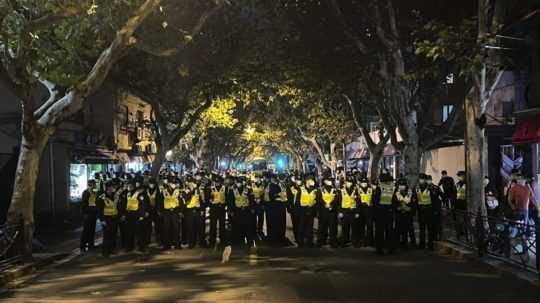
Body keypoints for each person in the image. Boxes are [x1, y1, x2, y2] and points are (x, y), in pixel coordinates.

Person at [119, 181, 148, 253]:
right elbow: (123, 204)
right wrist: (123, 214)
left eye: (130, 186)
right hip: (128, 215)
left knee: (139, 232)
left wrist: (142, 215)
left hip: (136, 215)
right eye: (128, 186)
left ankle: (141, 247)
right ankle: (129, 247)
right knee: (129, 232)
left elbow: (142, 205)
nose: (129, 187)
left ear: (133, 186)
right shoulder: (126, 193)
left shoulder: (139, 194)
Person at [228, 177, 255, 247]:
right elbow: (230, 201)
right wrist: (231, 211)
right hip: (237, 211)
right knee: (237, 226)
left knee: (248, 226)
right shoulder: (232, 190)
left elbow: (251, 199)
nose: (239, 183)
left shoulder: (248, 189)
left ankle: (249, 240)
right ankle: (239, 240)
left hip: (246, 210)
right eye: (238, 182)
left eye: (240, 182)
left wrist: (252, 208)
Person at [97, 181, 121, 257]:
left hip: (114, 218)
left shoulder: (115, 196)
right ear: (108, 187)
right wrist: (102, 220)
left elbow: (118, 206)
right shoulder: (102, 197)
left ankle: (112, 250)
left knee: (113, 235)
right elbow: (99, 209)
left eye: (114, 186)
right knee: (107, 236)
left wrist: (119, 216)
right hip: (106, 219)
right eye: (112, 186)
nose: (114, 188)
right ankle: (105, 252)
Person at [159, 178, 182, 250]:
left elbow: (181, 202)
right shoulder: (164, 191)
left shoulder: (178, 191)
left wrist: (180, 211)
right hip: (166, 212)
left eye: (174, 183)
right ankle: (166, 245)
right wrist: (161, 211)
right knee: (166, 229)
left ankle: (177, 244)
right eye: (172, 183)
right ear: (168, 184)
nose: (173, 185)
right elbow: (160, 201)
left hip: (175, 212)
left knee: (176, 229)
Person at [394, 178, 417, 250]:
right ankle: (396, 244)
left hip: (408, 214)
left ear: (406, 185)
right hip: (399, 214)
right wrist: (398, 208)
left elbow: (414, 203)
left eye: (403, 185)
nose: (401, 186)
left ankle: (407, 244)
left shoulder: (410, 192)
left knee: (408, 230)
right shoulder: (396, 192)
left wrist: (411, 210)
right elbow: (393, 202)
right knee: (398, 230)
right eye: (400, 185)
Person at [374, 177, 395, 254]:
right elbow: (394, 200)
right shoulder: (391, 188)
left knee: (380, 232)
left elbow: (375, 201)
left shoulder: (379, 188)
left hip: (380, 213)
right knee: (389, 231)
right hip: (389, 212)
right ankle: (390, 248)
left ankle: (379, 249)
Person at [183, 177, 205, 248]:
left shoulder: (199, 190)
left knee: (199, 227)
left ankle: (201, 242)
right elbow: (186, 199)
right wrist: (191, 191)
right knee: (190, 228)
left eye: (193, 182)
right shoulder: (185, 191)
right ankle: (191, 243)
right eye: (190, 183)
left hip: (197, 210)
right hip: (189, 211)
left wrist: (202, 210)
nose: (192, 184)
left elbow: (201, 200)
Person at [416, 174, 437, 250]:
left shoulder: (430, 188)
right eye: (420, 179)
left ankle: (430, 245)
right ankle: (422, 244)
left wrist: (435, 211)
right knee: (422, 229)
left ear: (425, 180)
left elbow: (435, 200)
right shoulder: (417, 188)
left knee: (429, 229)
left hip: (429, 210)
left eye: (422, 179)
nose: (420, 180)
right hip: (421, 211)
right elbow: (415, 199)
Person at [317, 176, 339, 248]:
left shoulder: (334, 190)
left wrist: (331, 205)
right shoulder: (320, 190)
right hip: (323, 211)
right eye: (328, 180)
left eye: (330, 181)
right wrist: (324, 204)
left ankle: (333, 241)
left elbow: (336, 199)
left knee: (333, 228)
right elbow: (319, 199)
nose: (330, 182)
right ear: (324, 181)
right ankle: (321, 241)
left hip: (332, 212)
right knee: (322, 227)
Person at [338, 176, 360, 247]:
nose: (349, 183)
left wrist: (357, 212)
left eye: (350, 182)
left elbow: (357, 202)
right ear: (345, 182)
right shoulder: (341, 190)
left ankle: (355, 242)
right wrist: (340, 211)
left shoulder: (355, 190)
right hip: (344, 211)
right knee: (344, 228)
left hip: (352, 211)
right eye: (348, 182)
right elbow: (339, 201)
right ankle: (344, 241)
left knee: (354, 228)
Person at [297, 176, 318, 248]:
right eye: (310, 180)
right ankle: (300, 242)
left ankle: (309, 242)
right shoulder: (301, 189)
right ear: (306, 181)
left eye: (312, 180)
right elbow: (297, 201)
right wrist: (298, 211)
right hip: (303, 210)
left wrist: (315, 211)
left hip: (311, 210)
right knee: (301, 227)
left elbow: (316, 201)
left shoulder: (314, 190)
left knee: (310, 227)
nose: (312, 181)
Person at [80, 180, 99, 252]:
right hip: (88, 215)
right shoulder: (86, 193)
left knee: (92, 230)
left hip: (93, 214)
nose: (95, 186)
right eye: (94, 185)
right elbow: (84, 204)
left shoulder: (94, 193)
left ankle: (91, 244)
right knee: (86, 230)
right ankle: (83, 246)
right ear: (91, 185)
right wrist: (85, 214)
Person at [209, 176, 227, 247]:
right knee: (213, 226)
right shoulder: (211, 188)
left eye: (218, 182)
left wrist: (224, 205)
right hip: (214, 209)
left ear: (221, 182)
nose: (217, 183)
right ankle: (212, 241)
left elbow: (227, 198)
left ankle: (222, 240)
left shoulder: (224, 188)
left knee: (222, 225)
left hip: (221, 208)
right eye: (216, 182)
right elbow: (209, 197)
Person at [357, 177, 375, 246]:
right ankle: (362, 240)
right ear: (360, 183)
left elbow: (374, 199)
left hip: (369, 211)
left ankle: (370, 241)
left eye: (365, 182)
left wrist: (371, 203)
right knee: (361, 226)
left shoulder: (371, 189)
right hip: (361, 211)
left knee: (369, 227)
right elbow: (356, 201)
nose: (364, 184)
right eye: (362, 182)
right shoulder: (358, 190)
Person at [454, 171, 468, 241]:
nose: (460, 177)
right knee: (459, 220)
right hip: (458, 204)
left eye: (461, 176)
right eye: (459, 176)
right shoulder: (457, 184)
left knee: (466, 220)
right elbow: (454, 194)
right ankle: (460, 232)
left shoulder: (467, 184)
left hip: (466, 204)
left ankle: (466, 233)